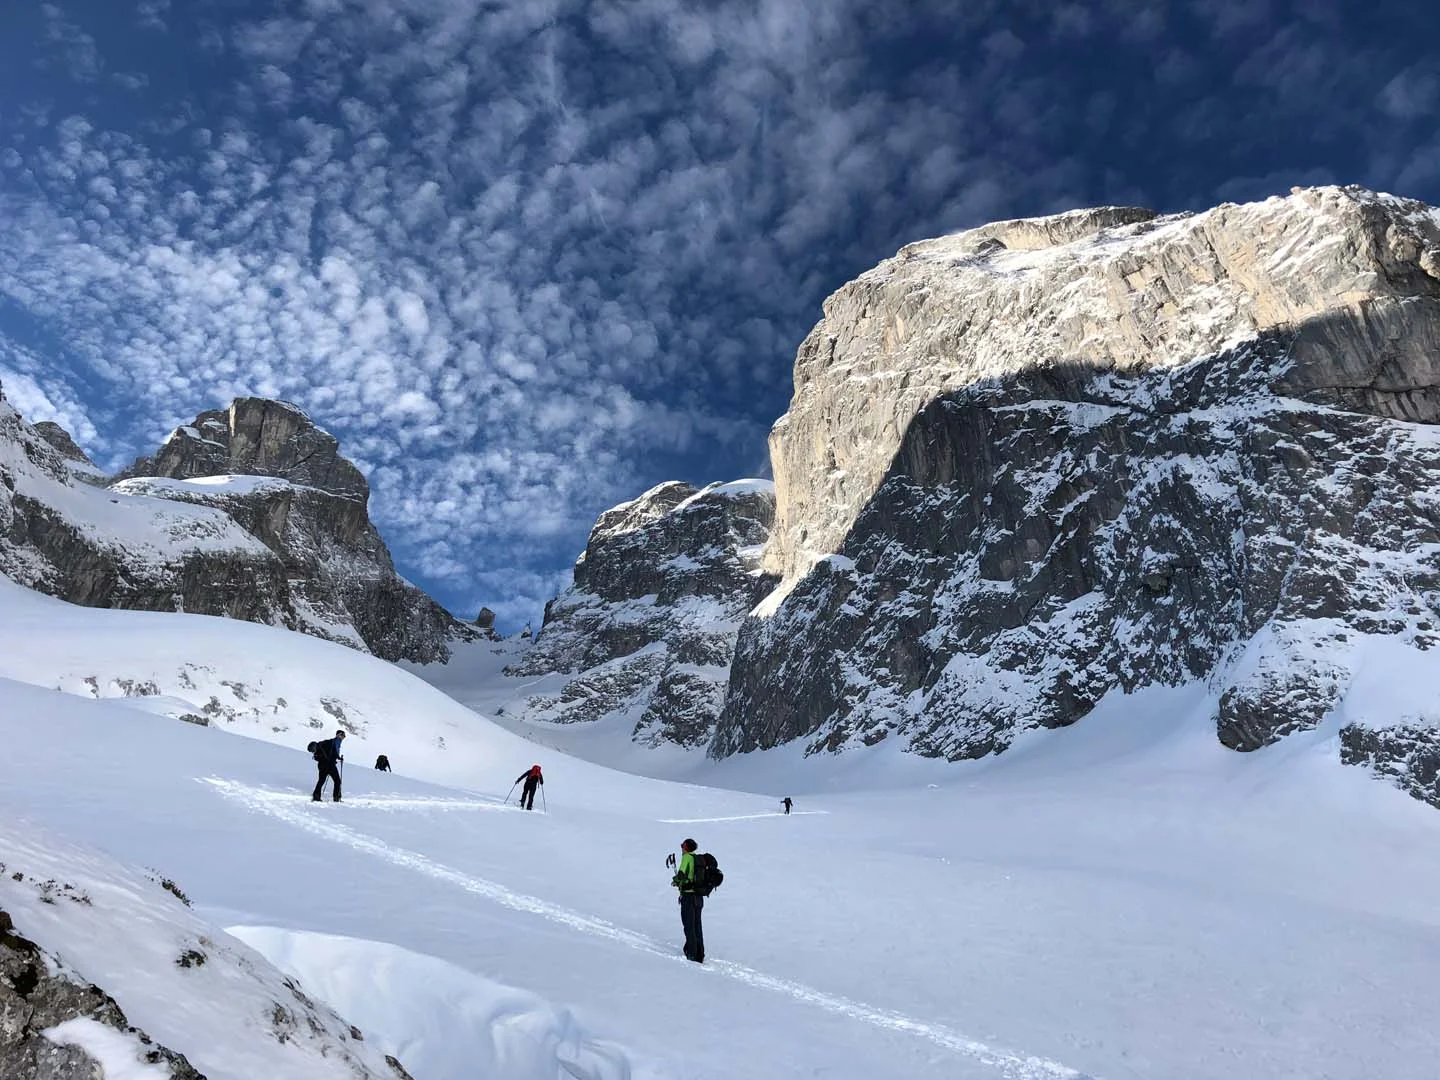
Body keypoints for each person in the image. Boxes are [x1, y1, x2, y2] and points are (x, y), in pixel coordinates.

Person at [670, 838, 705, 962]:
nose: (681, 848)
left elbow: (681, 874)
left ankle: (692, 954)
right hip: (699, 897)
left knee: (689, 925)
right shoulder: (697, 859)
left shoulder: (687, 858)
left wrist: (676, 881)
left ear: (686, 848)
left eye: (682, 846)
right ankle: (700, 954)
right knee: (697, 925)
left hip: (688, 896)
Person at [312, 730, 345, 802]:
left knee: (321, 780)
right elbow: (334, 753)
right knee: (337, 781)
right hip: (329, 765)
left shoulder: (329, 742)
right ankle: (336, 798)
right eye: (343, 736)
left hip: (321, 764)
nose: (343, 738)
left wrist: (337, 758)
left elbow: (331, 753)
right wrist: (339, 758)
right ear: (339, 735)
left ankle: (316, 796)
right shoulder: (336, 742)